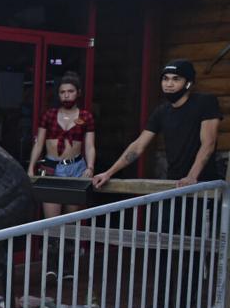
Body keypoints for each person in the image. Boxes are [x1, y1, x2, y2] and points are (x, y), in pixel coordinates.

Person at [92, 59, 221, 190]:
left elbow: (208, 143)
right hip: (174, 183)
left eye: (176, 79)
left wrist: (191, 176)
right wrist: (108, 173)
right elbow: (138, 146)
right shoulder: (162, 111)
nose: (169, 84)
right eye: (165, 79)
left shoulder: (205, 102)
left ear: (188, 83)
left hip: (203, 184)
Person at [26, 71, 96, 218]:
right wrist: (31, 167)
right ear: (58, 95)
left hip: (76, 167)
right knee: (52, 219)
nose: (66, 95)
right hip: (52, 166)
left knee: (71, 219)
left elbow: (89, 145)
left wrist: (90, 167)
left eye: (70, 91)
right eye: (62, 92)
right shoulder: (49, 115)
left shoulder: (86, 116)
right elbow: (39, 143)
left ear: (78, 93)